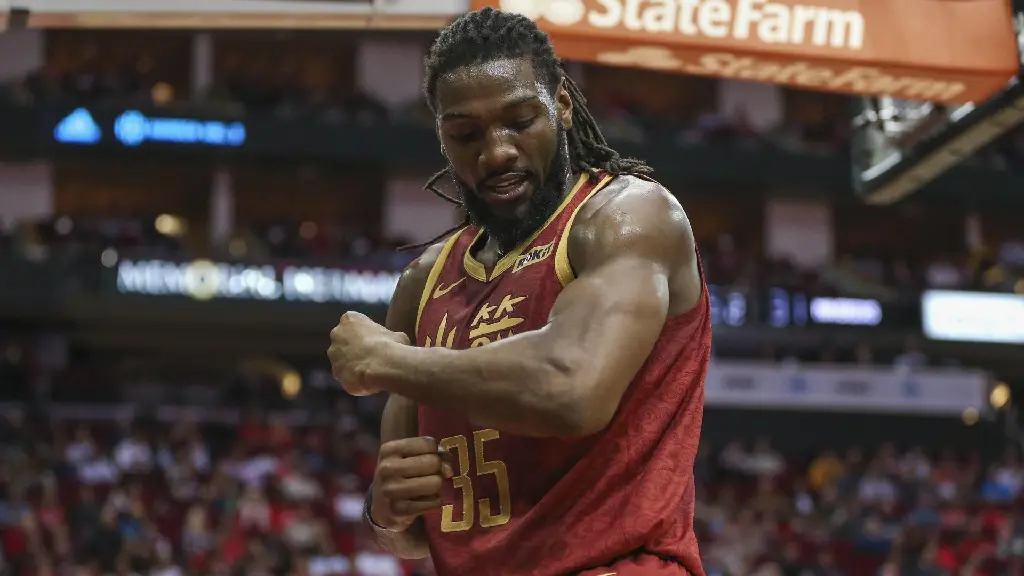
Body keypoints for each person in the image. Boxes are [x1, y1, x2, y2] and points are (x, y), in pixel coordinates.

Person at [327, 7, 710, 575]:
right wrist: (385, 511)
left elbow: (572, 389)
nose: (497, 150)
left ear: (561, 104)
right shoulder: (424, 283)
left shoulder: (625, 217)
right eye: (466, 134)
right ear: (442, 137)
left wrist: (387, 359)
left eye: (520, 120)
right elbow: (411, 529)